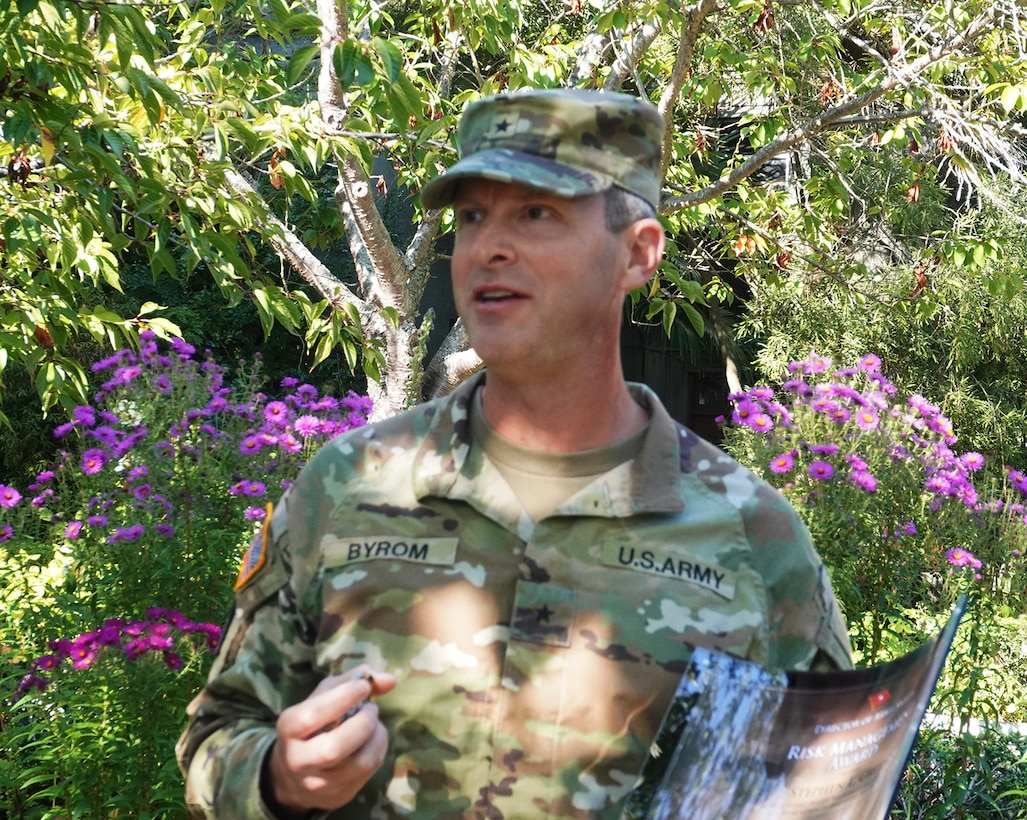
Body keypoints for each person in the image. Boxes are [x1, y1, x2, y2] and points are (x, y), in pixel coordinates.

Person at [177, 87, 852, 819]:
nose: (488, 247)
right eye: (472, 217)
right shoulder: (345, 487)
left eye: (536, 213)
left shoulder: (749, 535)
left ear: (637, 253)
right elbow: (216, 735)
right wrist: (279, 777)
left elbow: (821, 792)